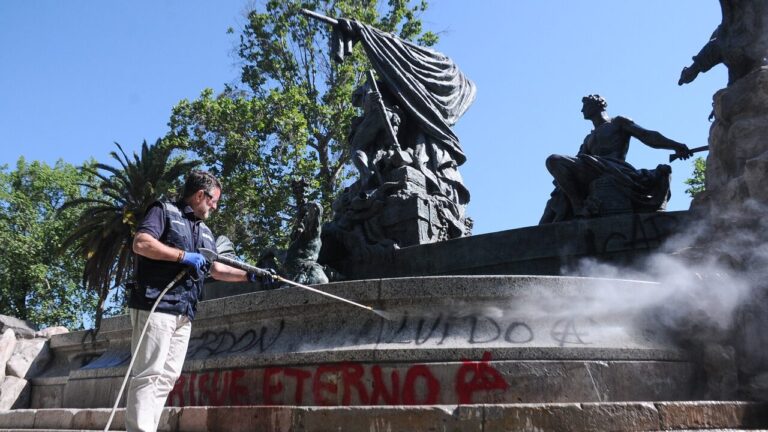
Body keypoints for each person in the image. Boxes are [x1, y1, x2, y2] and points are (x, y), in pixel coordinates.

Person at [126, 170, 274, 432]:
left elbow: (216, 270)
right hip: (156, 304)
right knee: (149, 373)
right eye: (213, 200)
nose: (215, 206)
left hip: (185, 312)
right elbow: (142, 243)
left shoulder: (205, 232)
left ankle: (146, 427)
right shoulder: (163, 211)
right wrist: (183, 256)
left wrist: (251, 276)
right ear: (199, 195)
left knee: (168, 377)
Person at [540, 95, 693, 224]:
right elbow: (573, 165)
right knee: (556, 192)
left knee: (553, 159)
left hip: (615, 167)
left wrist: (675, 145)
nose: (582, 110)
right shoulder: (588, 139)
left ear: (597, 104)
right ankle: (543, 234)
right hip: (592, 169)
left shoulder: (618, 123)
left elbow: (647, 135)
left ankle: (578, 207)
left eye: (585, 105)